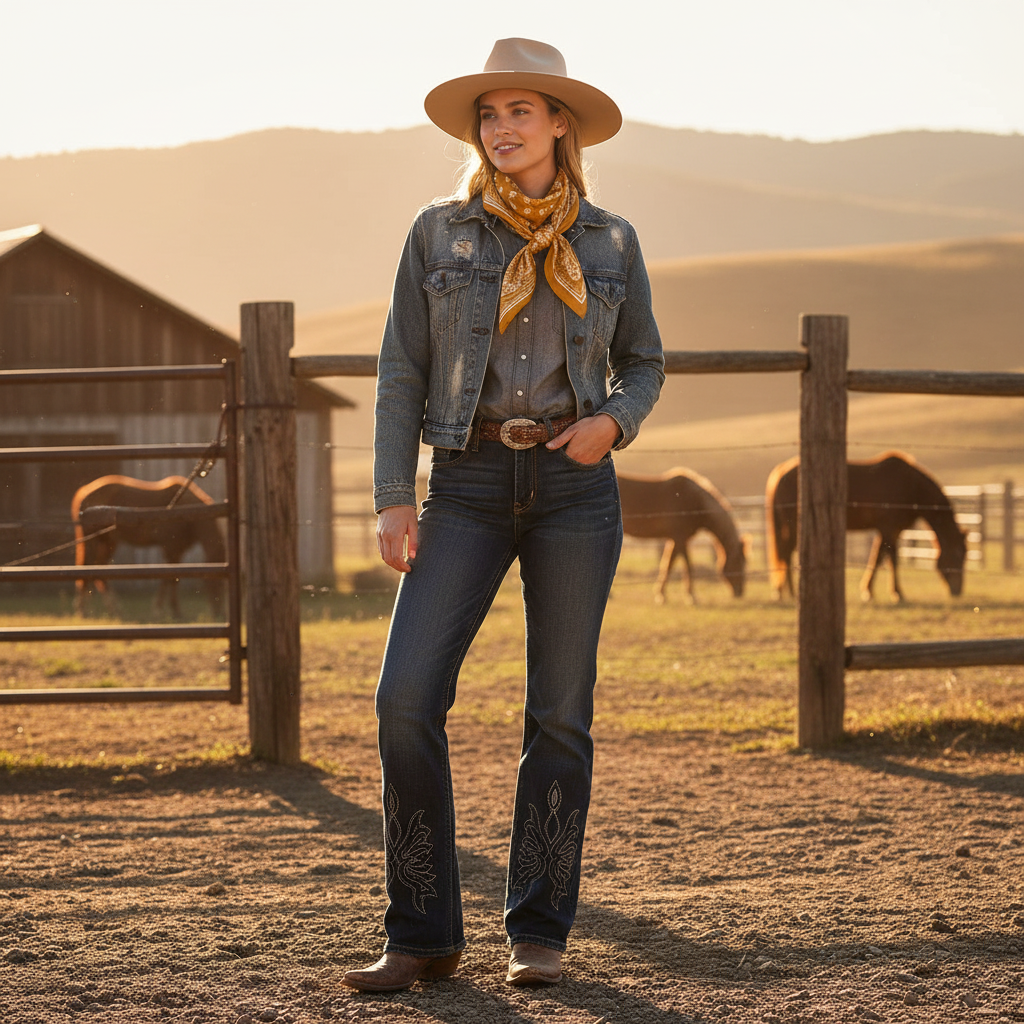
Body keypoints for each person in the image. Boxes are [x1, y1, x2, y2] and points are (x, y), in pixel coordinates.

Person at [342, 37, 664, 992]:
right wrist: (395, 495)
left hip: (574, 488)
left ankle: (539, 928)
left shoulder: (609, 241)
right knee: (405, 699)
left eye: (521, 110)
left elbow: (643, 361)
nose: (503, 127)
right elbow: (401, 369)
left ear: (561, 124)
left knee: (558, 715)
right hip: (469, 484)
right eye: (490, 113)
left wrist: (615, 421)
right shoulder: (440, 234)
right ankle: (424, 930)